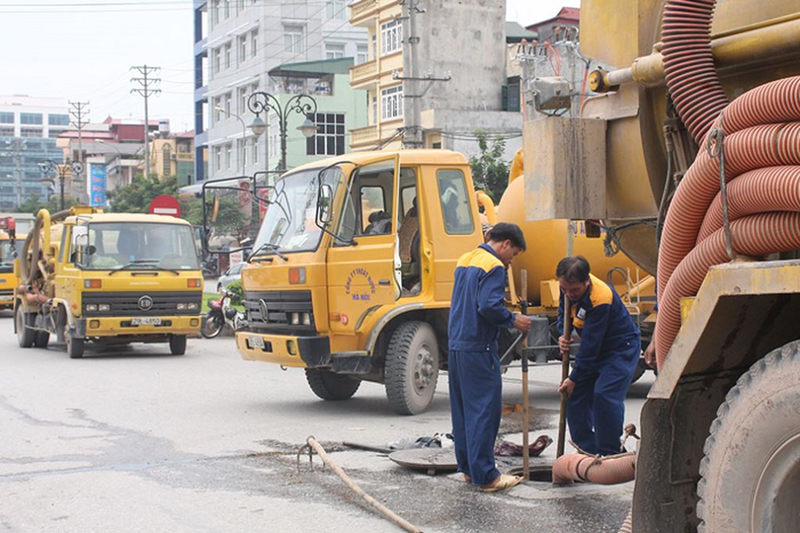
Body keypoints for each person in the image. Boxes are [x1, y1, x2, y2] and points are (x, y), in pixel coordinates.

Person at [448, 222, 531, 492]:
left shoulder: (465, 259)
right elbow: (488, 306)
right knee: (484, 411)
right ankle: (488, 477)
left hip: (457, 346)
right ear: (505, 244)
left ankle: (471, 471)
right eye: (514, 254)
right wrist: (513, 319)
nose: (511, 260)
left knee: (463, 412)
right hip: (478, 347)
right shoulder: (494, 266)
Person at [555, 256, 640, 456]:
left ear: (586, 281)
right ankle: (587, 449)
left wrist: (574, 377)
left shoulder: (600, 298)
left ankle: (611, 451)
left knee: (604, 395)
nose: (569, 294)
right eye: (565, 289)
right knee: (573, 395)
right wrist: (563, 333)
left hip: (619, 348)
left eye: (574, 290)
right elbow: (563, 314)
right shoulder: (567, 288)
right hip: (595, 347)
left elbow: (591, 346)